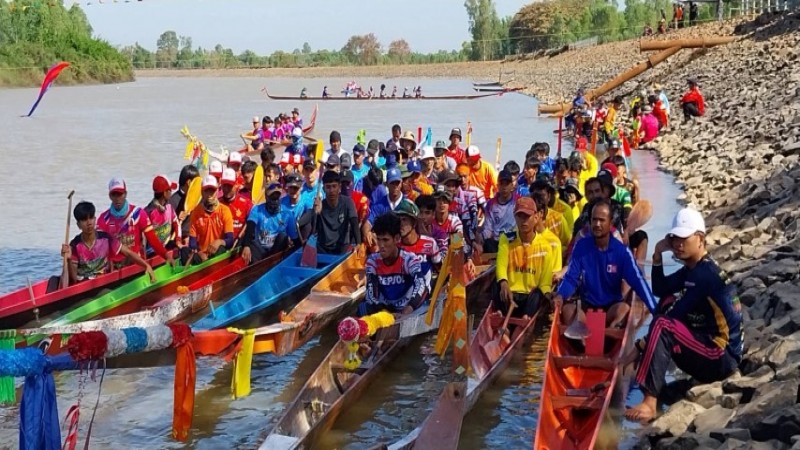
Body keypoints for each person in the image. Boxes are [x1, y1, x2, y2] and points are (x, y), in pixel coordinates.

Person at [625, 208, 743, 422]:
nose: (678, 244)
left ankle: (650, 401)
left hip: (721, 356)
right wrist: (657, 255)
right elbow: (661, 288)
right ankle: (646, 374)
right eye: (674, 238)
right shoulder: (694, 268)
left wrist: (637, 349)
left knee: (663, 324)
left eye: (683, 238)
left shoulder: (703, 275)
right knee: (666, 301)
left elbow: (674, 317)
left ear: (700, 239)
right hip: (709, 345)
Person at [552, 200, 658, 331]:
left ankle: (607, 332)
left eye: (602, 220)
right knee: (567, 310)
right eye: (594, 220)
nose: (597, 224)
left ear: (610, 223)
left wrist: (656, 311)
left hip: (611, 309)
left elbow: (638, 282)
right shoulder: (581, 247)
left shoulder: (622, 252)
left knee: (624, 309)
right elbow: (570, 279)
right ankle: (584, 339)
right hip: (587, 309)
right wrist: (560, 295)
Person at [62, 201, 156, 285]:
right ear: (78, 224)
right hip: (84, 287)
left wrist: (146, 265)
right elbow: (73, 279)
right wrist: (68, 260)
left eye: (91, 218)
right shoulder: (74, 245)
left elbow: (128, 253)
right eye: (84, 220)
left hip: (104, 284)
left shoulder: (106, 238)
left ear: (95, 219)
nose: (89, 223)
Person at [495, 197, 555, 318]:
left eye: (527, 216)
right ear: (515, 217)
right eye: (520, 216)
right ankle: (500, 316)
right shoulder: (506, 238)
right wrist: (503, 282)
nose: (523, 221)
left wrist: (548, 296)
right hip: (510, 293)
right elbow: (501, 264)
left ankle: (525, 319)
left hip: (529, 297)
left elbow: (545, 283)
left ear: (536, 217)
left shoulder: (546, 247)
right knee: (497, 283)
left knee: (539, 293)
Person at [359, 213, 428, 316]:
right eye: (379, 239)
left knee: (425, 306)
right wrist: (385, 313)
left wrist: (408, 309)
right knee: (362, 308)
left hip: (408, 307)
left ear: (396, 239)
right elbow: (371, 294)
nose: (381, 245)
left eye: (386, 240)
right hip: (385, 309)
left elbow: (422, 286)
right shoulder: (372, 261)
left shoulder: (409, 259)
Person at [98, 178, 173, 269]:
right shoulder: (103, 219)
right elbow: (99, 249)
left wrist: (166, 255)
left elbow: (152, 239)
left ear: (125, 194)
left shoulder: (138, 213)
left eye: (120, 194)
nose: (117, 198)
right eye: (114, 194)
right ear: (110, 196)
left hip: (137, 265)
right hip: (115, 269)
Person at [301, 170, 362, 255]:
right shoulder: (319, 205)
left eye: (334, 186)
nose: (331, 190)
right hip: (323, 249)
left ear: (339, 188)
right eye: (328, 187)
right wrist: (315, 212)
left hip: (342, 248)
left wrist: (358, 243)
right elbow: (302, 223)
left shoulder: (348, 202)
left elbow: (354, 222)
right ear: (324, 189)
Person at [241, 182, 299, 264]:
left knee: (283, 236)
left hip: (276, 251)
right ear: (266, 197)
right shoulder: (257, 209)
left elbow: (295, 238)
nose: (275, 200)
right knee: (250, 241)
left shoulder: (287, 213)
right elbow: (250, 226)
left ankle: (273, 263)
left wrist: (301, 249)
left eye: (277, 197)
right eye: (272, 197)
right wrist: (246, 245)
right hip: (260, 249)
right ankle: (256, 267)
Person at [183, 175, 234, 265]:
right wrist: (199, 253)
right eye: (207, 191)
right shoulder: (196, 212)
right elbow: (192, 243)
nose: (210, 194)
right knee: (184, 251)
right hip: (202, 255)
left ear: (217, 191)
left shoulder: (225, 211)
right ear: (202, 193)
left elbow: (230, 240)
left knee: (221, 248)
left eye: (212, 190)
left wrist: (219, 242)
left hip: (218, 252)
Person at [396, 200, 441, 291]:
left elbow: (441, 270)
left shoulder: (430, 243)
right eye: (398, 220)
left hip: (425, 299)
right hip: (403, 299)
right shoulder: (395, 246)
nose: (400, 224)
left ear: (414, 222)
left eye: (404, 220)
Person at [477, 169, 518, 254]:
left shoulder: (519, 201)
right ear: (498, 186)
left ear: (512, 186)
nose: (504, 187)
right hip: (497, 243)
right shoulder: (491, 204)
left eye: (507, 184)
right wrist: (480, 237)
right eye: (502, 184)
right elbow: (488, 228)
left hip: (514, 241)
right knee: (486, 243)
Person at [364, 167, 405, 249]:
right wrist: (367, 232)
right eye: (392, 183)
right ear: (386, 184)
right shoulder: (379, 204)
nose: (395, 186)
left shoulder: (407, 204)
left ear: (401, 183)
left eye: (397, 183)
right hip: (384, 245)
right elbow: (368, 223)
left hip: (403, 243)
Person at [530, 180, 571, 252]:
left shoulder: (558, 218)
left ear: (548, 196)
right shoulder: (526, 219)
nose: (538, 200)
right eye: (535, 196)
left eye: (541, 196)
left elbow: (568, 244)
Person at [145, 175, 181, 251]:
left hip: (167, 246)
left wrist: (178, 240)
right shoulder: (148, 212)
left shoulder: (169, 207)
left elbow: (177, 224)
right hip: (152, 252)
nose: (171, 192)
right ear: (165, 193)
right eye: (170, 190)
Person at [169, 165, 200, 246]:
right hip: (179, 242)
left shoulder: (198, 198)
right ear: (189, 183)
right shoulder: (172, 202)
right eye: (196, 183)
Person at [414, 194, 449, 264]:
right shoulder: (410, 232)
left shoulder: (440, 233)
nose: (423, 216)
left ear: (433, 214)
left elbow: (444, 259)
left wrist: (428, 240)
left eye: (427, 213)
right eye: (420, 212)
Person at [219, 168, 253, 239]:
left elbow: (251, 223)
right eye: (224, 185)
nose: (226, 189)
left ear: (236, 185)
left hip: (239, 244)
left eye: (230, 186)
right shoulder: (217, 204)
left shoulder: (247, 203)